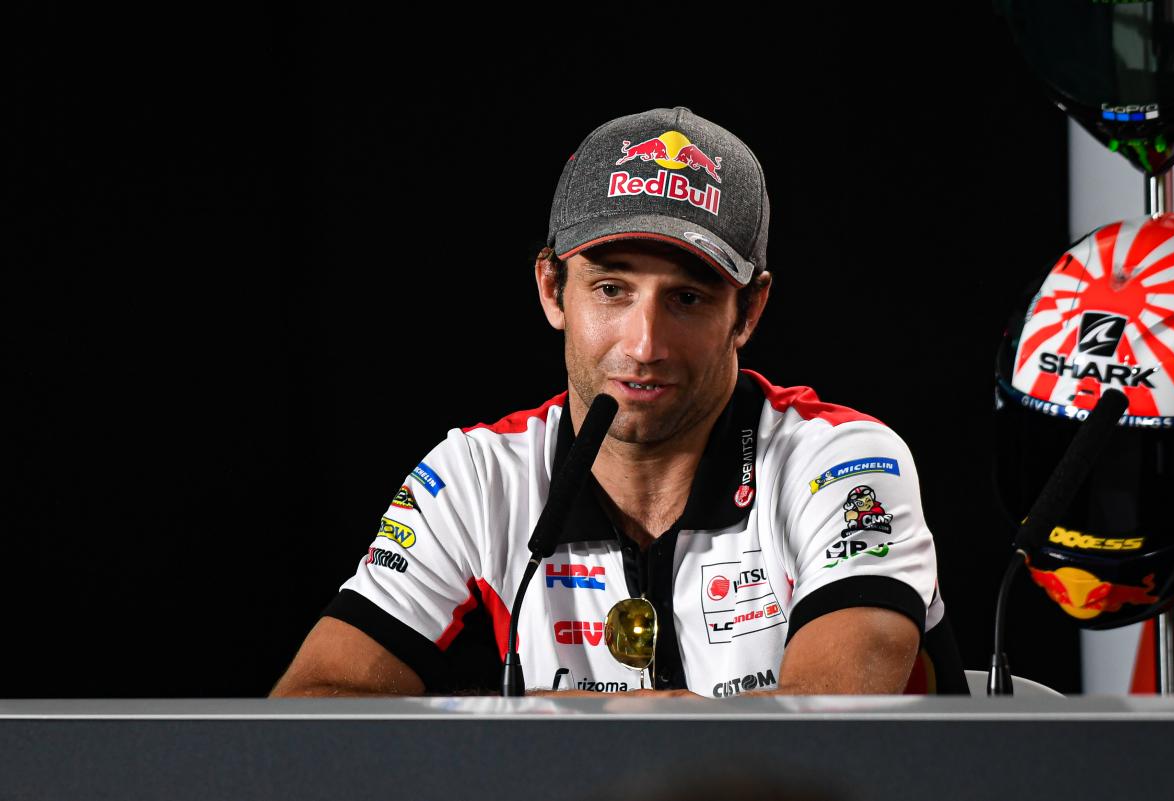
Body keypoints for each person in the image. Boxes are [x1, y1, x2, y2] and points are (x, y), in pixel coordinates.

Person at [271, 107, 966, 698]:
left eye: (687, 298)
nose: (644, 344)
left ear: (748, 311)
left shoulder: (844, 462)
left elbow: (832, 735)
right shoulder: (474, 478)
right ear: (552, 290)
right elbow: (307, 712)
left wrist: (551, 737)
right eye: (611, 289)